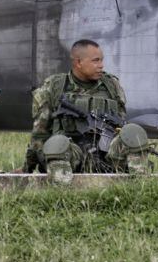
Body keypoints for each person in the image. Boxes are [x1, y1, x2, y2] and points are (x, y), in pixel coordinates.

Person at [22, 39, 151, 184]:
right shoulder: (54, 86)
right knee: (56, 144)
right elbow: (39, 133)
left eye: (102, 60)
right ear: (78, 63)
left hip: (107, 155)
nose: (101, 65)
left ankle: (141, 188)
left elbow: (121, 124)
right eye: (96, 61)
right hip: (70, 156)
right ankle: (60, 195)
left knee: (133, 133)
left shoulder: (111, 85)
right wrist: (27, 167)